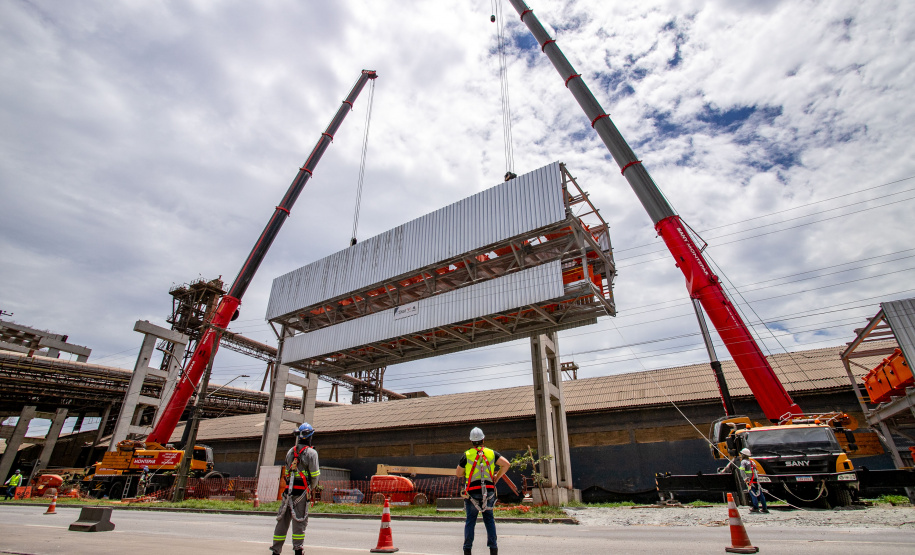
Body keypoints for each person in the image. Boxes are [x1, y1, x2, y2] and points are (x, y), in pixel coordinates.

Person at [456, 427, 510, 555]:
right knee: (489, 520)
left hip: (471, 494)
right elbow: (506, 464)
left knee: (470, 521)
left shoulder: (467, 455)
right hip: (488, 492)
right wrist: (497, 476)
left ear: (471, 441)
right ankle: (493, 549)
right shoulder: (491, 453)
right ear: (483, 439)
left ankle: (467, 550)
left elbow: (458, 474)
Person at [271, 423, 320, 555]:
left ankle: (276, 550)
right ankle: (298, 549)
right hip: (302, 492)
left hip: (288, 491)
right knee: (300, 521)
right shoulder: (312, 453)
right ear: (310, 436)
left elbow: (287, 472)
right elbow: (315, 475)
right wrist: (311, 488)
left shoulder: (290, 452)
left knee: (282, 521)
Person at [739, 448, 768, 513]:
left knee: (753, 494)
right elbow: (755, 471)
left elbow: (742, 470)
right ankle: (764, 508)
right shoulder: (752, 461)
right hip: (756, 480)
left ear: (743, 455)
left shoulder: (743, 462)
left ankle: (755, 507)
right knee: (760, 493)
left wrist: (745, 478)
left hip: (750, 480)